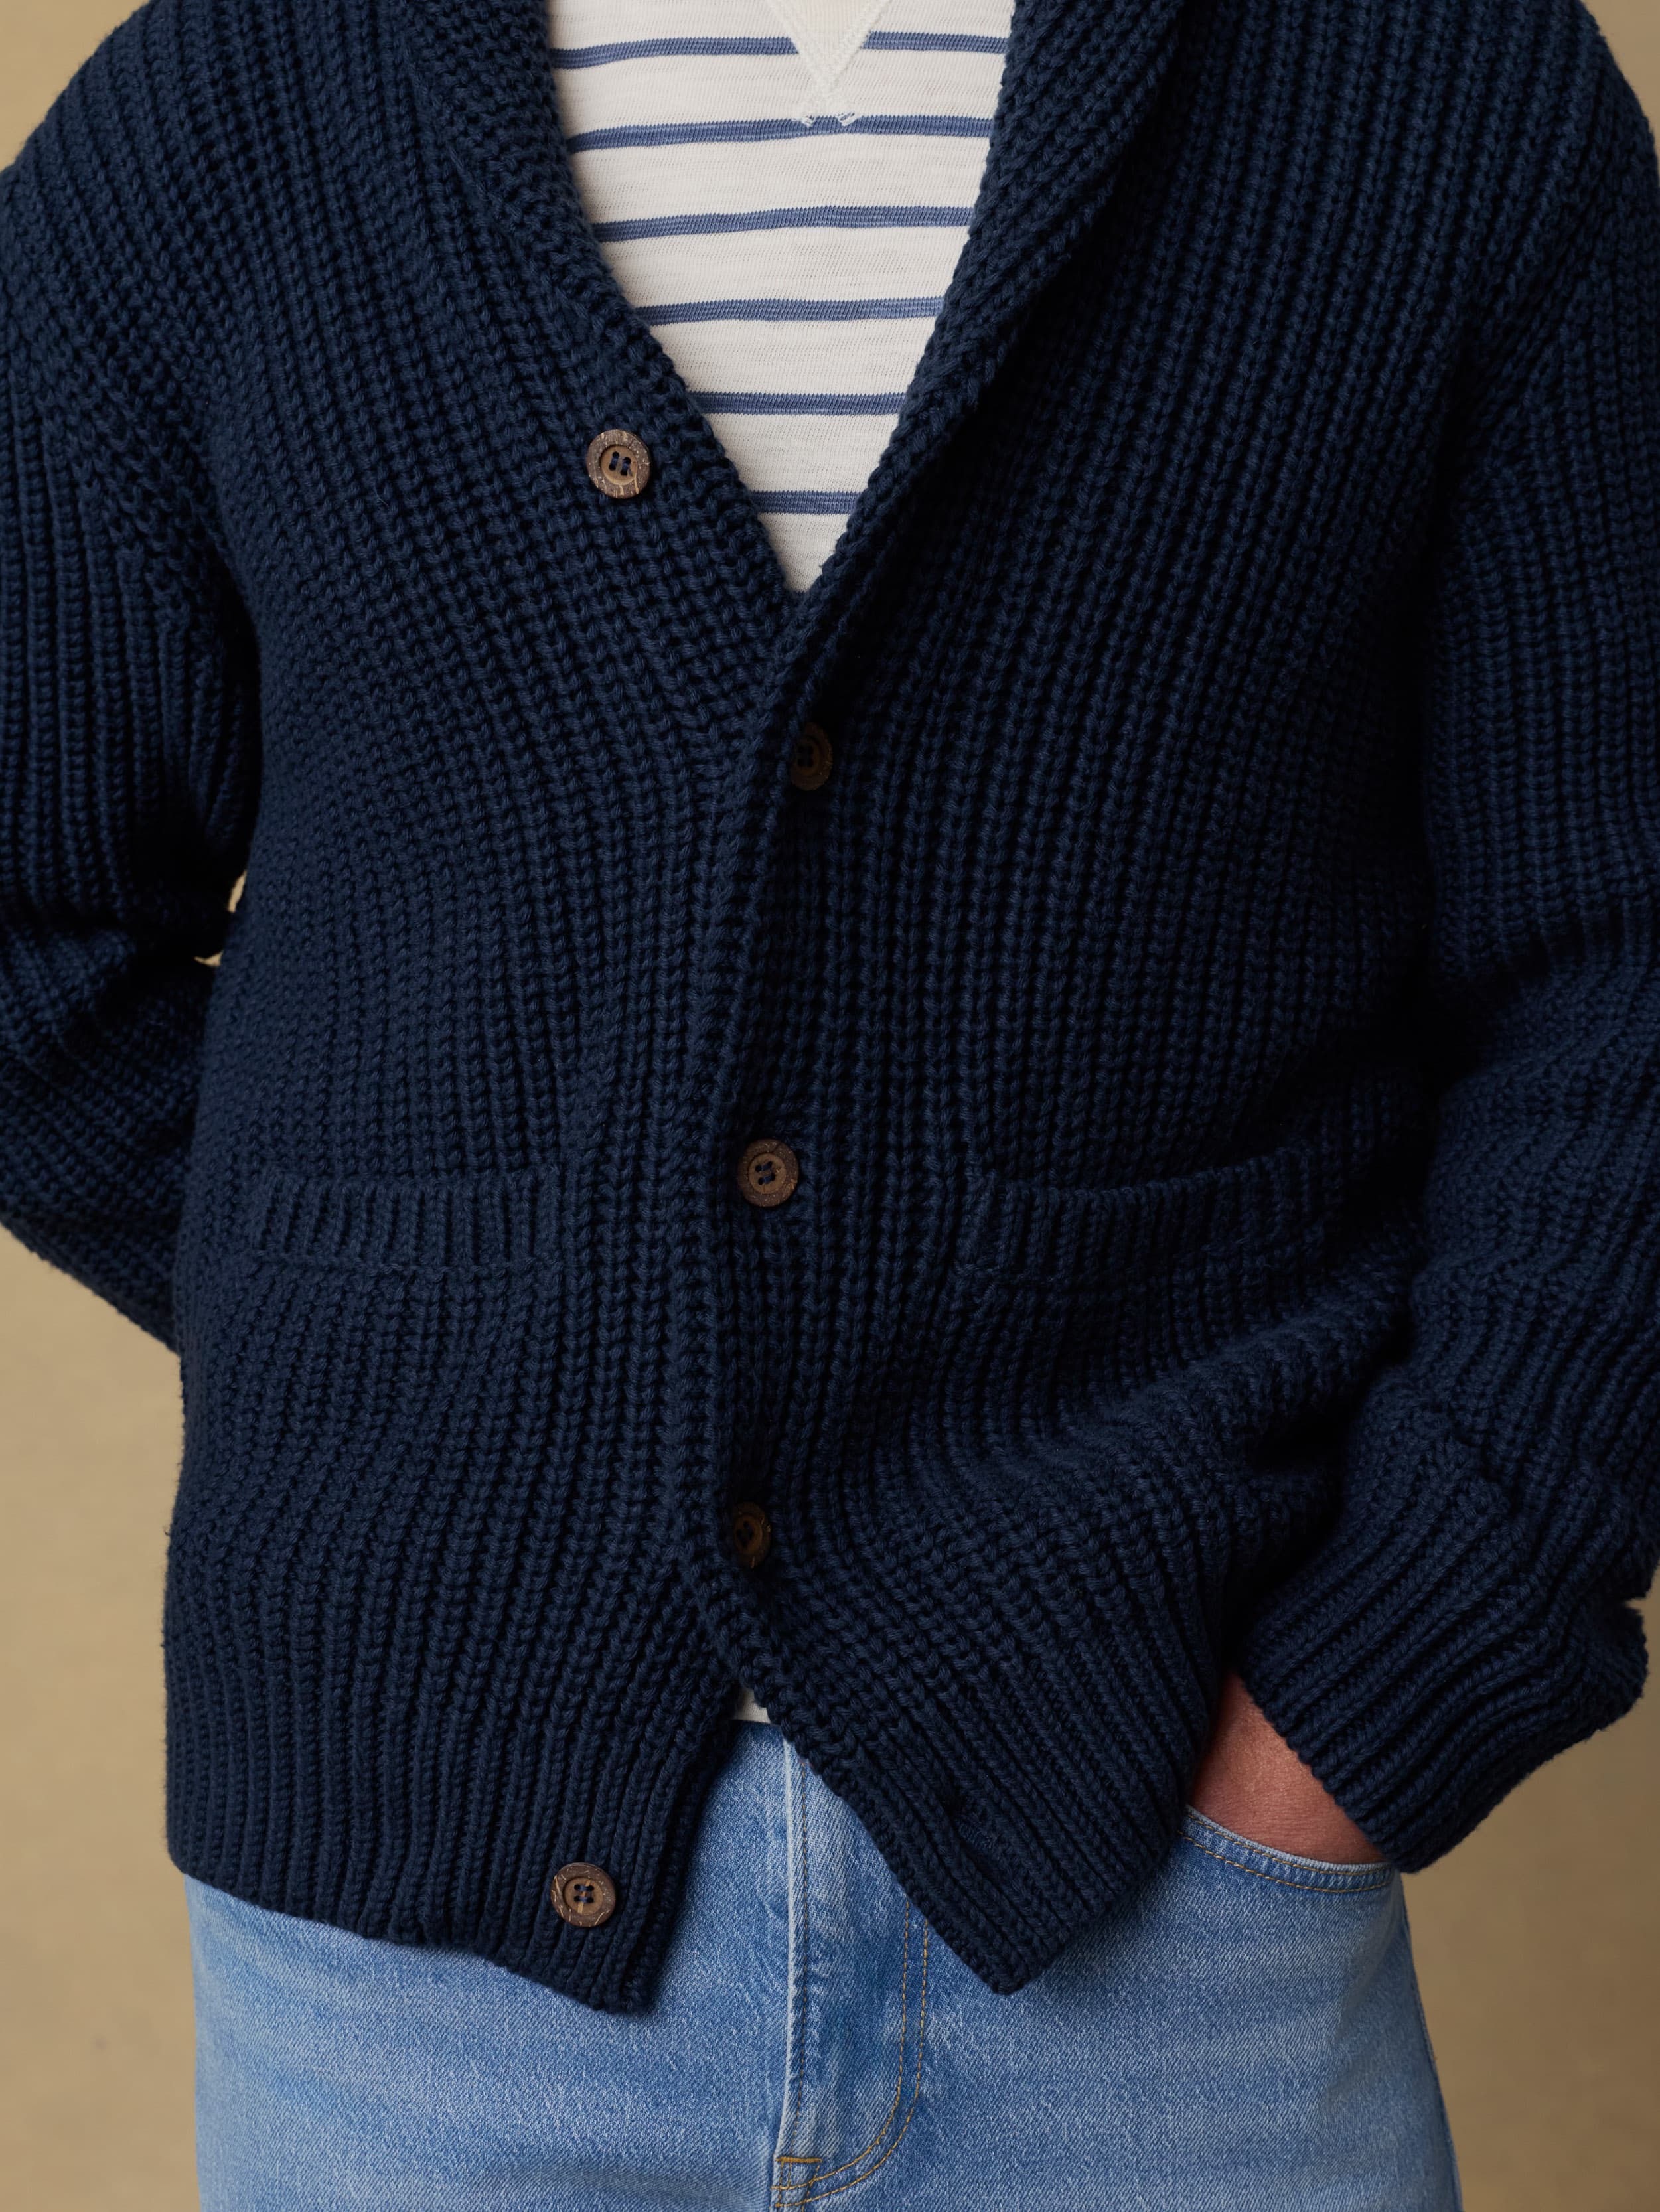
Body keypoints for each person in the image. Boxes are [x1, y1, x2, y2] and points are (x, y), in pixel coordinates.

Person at [3, 0, 1657, 2203]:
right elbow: (28, 927)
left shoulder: (1433, 82)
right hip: (409, 1971)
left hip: (1184, 1947)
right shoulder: (223, 105)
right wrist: (456, 1335)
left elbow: (1622, 972)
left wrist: (1381, 1696)